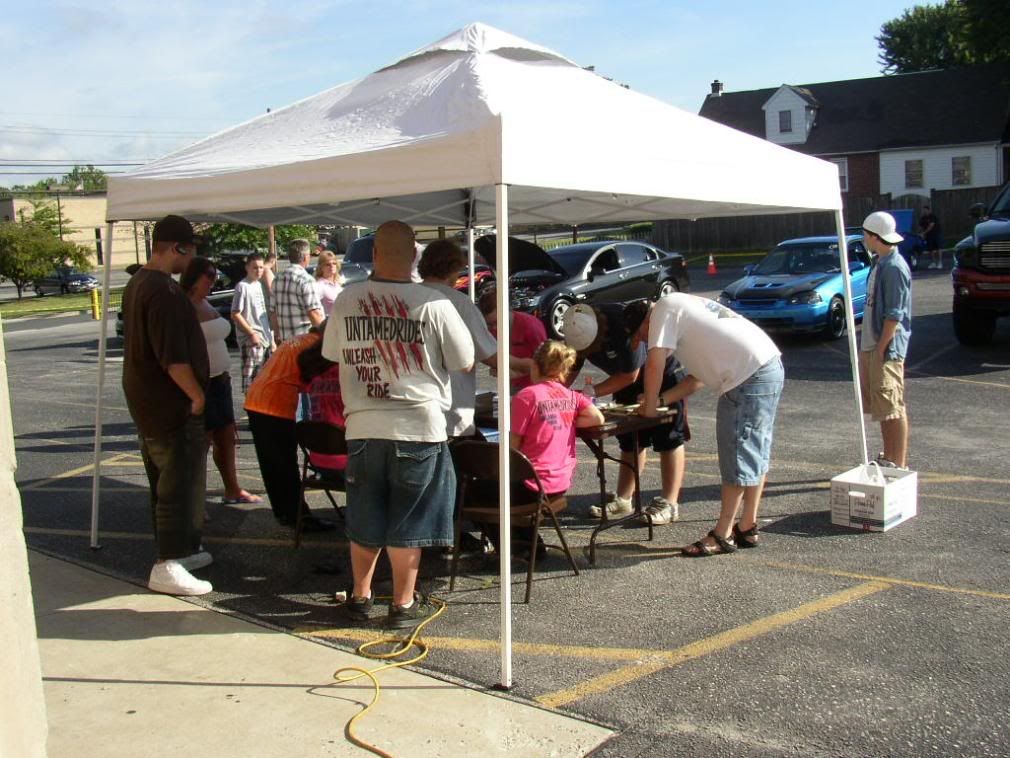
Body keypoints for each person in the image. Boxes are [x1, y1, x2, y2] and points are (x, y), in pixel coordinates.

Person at [322, 220, 474, 627]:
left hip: (363, 426)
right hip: (418, 426)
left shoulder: (347, 298)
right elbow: (465, 360)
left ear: (373, 255)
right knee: (410, 518)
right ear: (414, 257)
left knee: (365, 515)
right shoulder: (435, 302)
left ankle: (360, 596)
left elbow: (333, 353)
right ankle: (402, 605)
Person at [636, 293, 784, 557]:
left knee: (737, 456)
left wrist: (648, 406)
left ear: (645, 321)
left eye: (642, 336)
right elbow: (697, 379)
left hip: (747, 377)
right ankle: (747, 526)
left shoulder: (662, 311)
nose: (646, 342)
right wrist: (660, 399)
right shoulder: (684, 312)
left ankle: (723, 534)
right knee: (754, 453)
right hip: (765, 366)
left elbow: (654, 364)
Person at [121, 215, 213, 595]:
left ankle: (178, 551)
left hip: (147, 401)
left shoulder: (137, 284)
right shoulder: (164, 292)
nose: (191, 258)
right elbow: (173, 359)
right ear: (177, 248)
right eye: (189, 250)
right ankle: (168, 562)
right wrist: (197, 396)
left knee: (165, 480)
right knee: (178, 484)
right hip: (170, 405)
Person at [563, 301, 690, 525]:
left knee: (668, 437)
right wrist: (560, 395)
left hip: (661, 371)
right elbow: (570, 370)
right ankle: (623, 499)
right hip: (625, 377)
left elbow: (629, 376)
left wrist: (590, 392)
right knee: (630, 439)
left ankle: (670, 504)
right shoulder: (577, 326)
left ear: (599, 335)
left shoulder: (622, 327)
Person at [418, 239, 531, 437]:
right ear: (453, 267)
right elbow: (490, 354)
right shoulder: (459, 303)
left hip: (413, 413)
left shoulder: (408, 297)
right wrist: (528, 365)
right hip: (449, 414)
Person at [182, 257, 264, 511]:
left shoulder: (205, 301)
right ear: (195, 278)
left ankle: (232, 488)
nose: (213, 283)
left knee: (226, 437)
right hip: (200, 383)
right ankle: (195, 500)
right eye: (209, 278)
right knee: (202, 442)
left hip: (220, 380)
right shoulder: (183, 306)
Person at [243, 330, 336, 532]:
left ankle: (286, 513)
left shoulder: (303, 339)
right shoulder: (317, 348)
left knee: (273, 464)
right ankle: (297, 516)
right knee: (283, 464)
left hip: (259, 399)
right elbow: (316, 383)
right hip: (273, 404)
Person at [860, 211, 912, 469]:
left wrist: (882, 347)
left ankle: (898, 463)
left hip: (886, 349)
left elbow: (895, 313)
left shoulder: (894, 267)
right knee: (883, 408)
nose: (863, 238)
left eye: (865, 234)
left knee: (894, 406)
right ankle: (889, 457)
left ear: (874, 236)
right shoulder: (879, 262)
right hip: (872, 345)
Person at [477, 288, 547, 391]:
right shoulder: (490, 330)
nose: (494, 328)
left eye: (497, 322)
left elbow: (547, 364)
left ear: (507, 310)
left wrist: (516, 372)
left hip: (536, 388)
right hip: (511, 388)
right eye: (490, 324)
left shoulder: (531, 326)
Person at [231, 252, 275, 392]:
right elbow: (235, 313)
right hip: (252, 340)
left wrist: (271, 339)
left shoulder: (259, 285)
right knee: (251, 383)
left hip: (265, 339)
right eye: (255, 267)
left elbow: (265, 316)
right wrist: (251, 333)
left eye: (261, 267)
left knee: (265, 381)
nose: (259, 271)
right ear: (247, 268)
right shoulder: (242, 287)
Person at [270, 239, 324, 343]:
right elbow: (314, 312)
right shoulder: (306, 279)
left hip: (285, 343)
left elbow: (273, 313)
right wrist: (324, 336)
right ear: (305, 257)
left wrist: (277, 336)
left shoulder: (277, 279)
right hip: (304, 341)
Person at [314, 250, 343, 316]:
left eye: (334, 263)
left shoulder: (338, 284)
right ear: (321, 267)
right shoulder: (319, 286)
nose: (332, 266)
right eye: (328, 264)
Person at [919, 204, 943, 270]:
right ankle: (933, 263)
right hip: (929, 236)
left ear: (929, 210)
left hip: (936, 234)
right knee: (930, 249)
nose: (924, 211)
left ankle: (940, 262)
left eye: (926, 210)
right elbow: (921, 227)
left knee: (939, 248)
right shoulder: (922, 218)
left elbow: (931, 226)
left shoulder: (933, 216)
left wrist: (924, 233)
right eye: (923, 210)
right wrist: (921, 234)